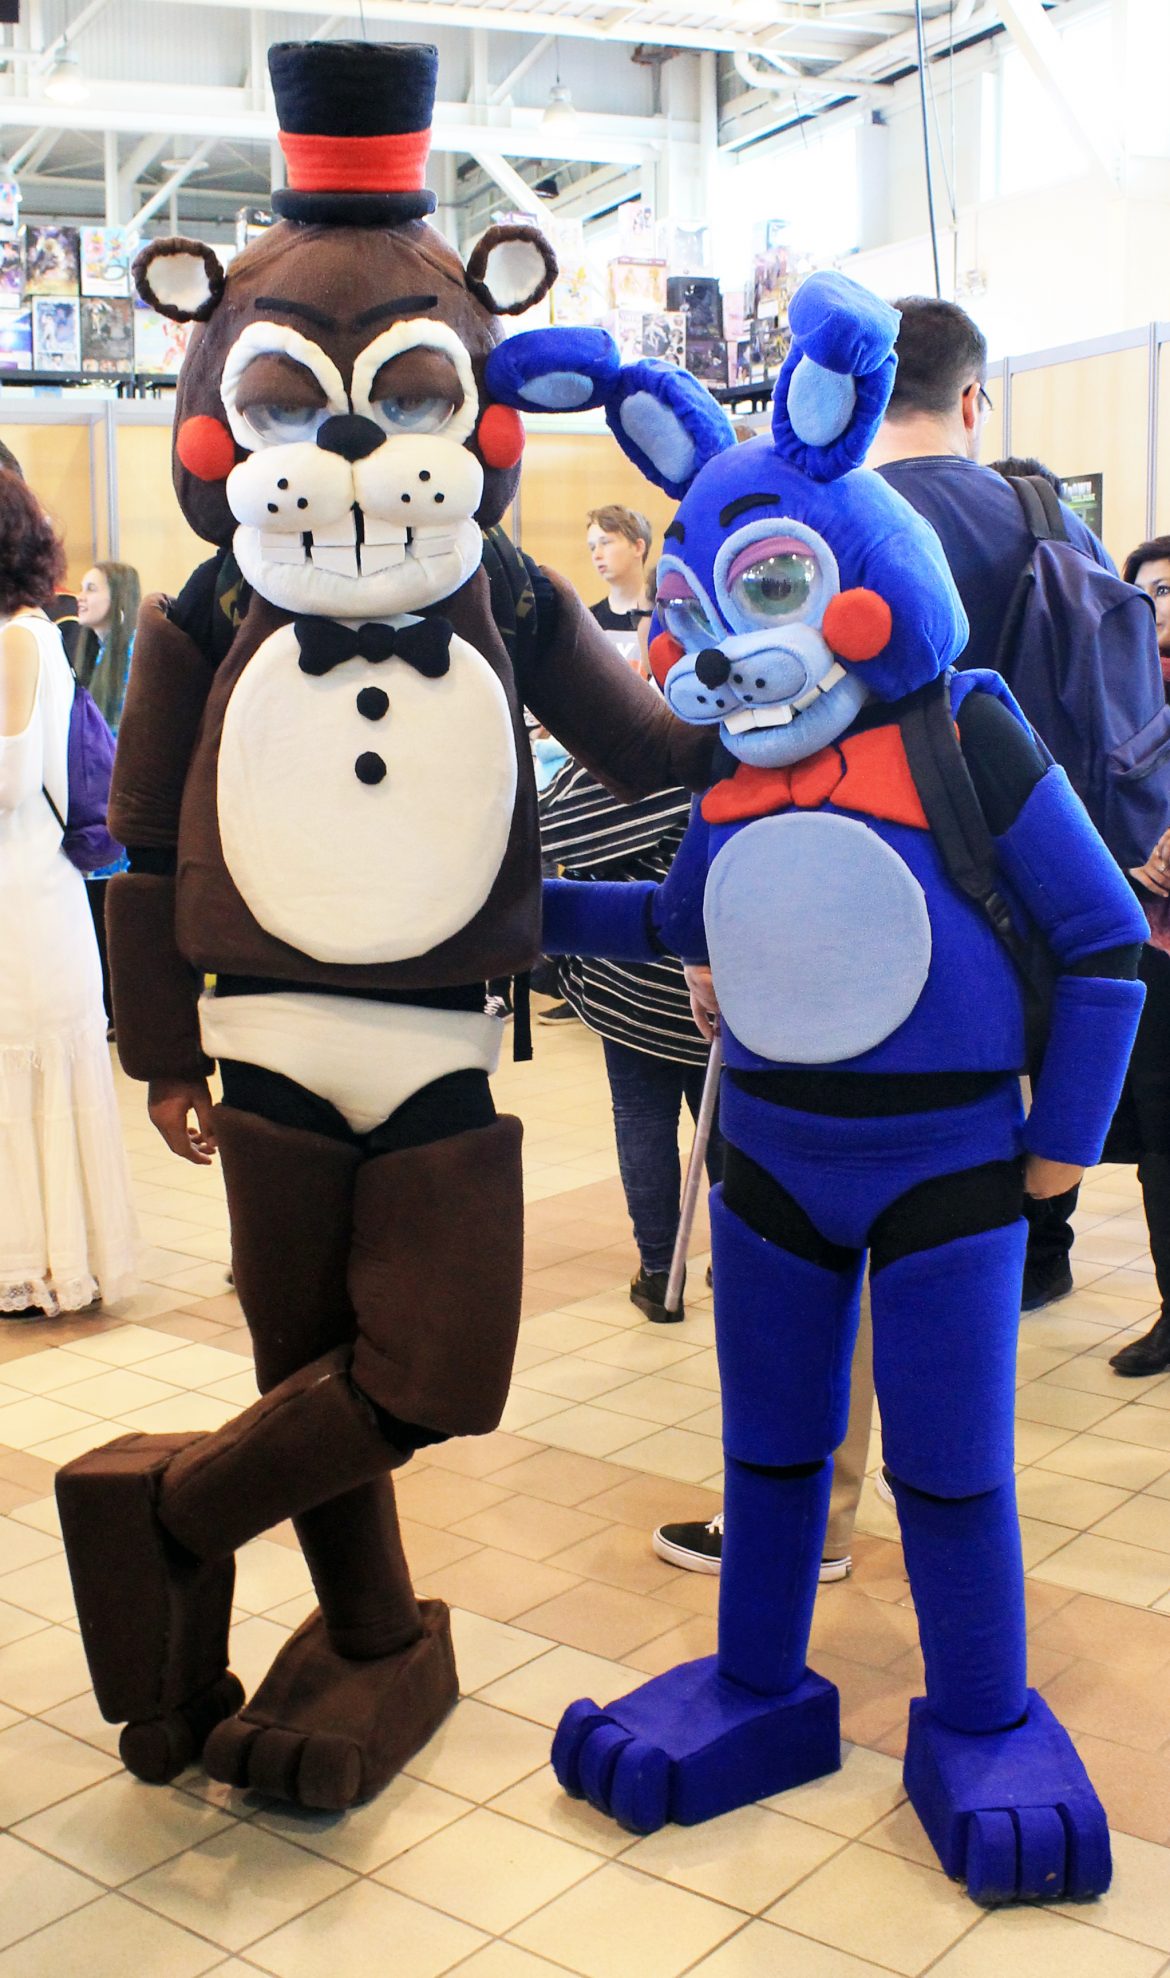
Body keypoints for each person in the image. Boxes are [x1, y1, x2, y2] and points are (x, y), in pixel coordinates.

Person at [867, 296, 1166, 1311]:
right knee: (1031, 1045)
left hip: (870, 860)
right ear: (971, 399)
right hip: (1041, 852)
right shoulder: (1044, 520)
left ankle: (894, 1244)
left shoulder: (828, 523)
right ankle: (1031, 1249)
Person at [0, 470, 137, 1317]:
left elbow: (9, 779)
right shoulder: (30, 636)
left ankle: (37, 1266)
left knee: (24, 1074)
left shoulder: (19, 639)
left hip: (24, 897)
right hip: (30, 893)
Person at [539, 751, 724, 1323]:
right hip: (718, 974)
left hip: (629, 977)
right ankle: (736, 1261)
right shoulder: (716, 752)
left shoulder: (611, 753)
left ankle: (661, 1272)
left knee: (642, 1121)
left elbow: (548, 823)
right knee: (725, 1125)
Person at [1106, 536, 1170, 1376]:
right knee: (1161, 1144)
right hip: (1153, 948)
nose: (1162, 606)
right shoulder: (1115, 694)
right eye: (1150, 592)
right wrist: (1130, 858)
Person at [75, 561, 141, 1027]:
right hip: (99, 805)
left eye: (91, 588)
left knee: (116, 917)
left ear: (117, 599)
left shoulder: (134, 653)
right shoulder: (93, 656)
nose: (80, 597)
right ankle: (109, 1012)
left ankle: (121, 1013)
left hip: (124, 806)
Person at [586, 504, 655, 667]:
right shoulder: (588, 621)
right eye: (592, 547)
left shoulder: (662, 617)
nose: (596, 555)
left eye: (605, 543)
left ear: (638, 547)